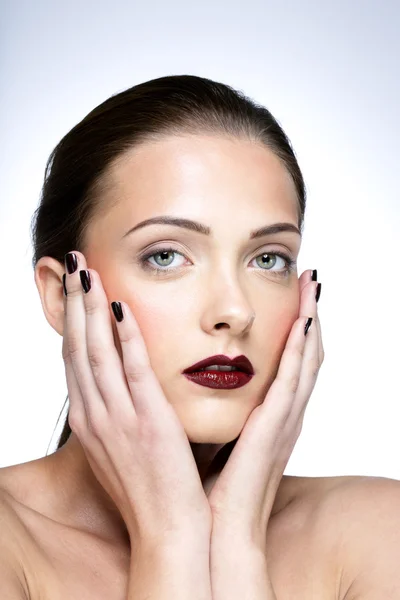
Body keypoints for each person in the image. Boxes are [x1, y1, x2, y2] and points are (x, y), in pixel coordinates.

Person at [1, 74, 399, 600]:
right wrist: (170, 540)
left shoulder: (378, 533)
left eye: (269, 259)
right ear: (61, 295)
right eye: (165, 256)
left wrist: (237, 542)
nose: (235, 311)